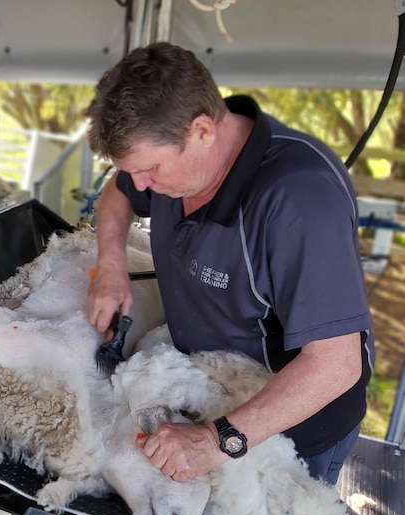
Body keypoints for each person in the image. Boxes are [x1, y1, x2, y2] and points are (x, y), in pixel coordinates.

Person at [85, 41, 374, 486]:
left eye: (151, 170)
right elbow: (119, 193)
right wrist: (110, 266)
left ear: (202, 130)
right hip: (212, 391)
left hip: (289, 422)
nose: (140, 183)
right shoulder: (173, 167)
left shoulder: (299, 199)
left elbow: (336, 364)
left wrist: (217, 442)